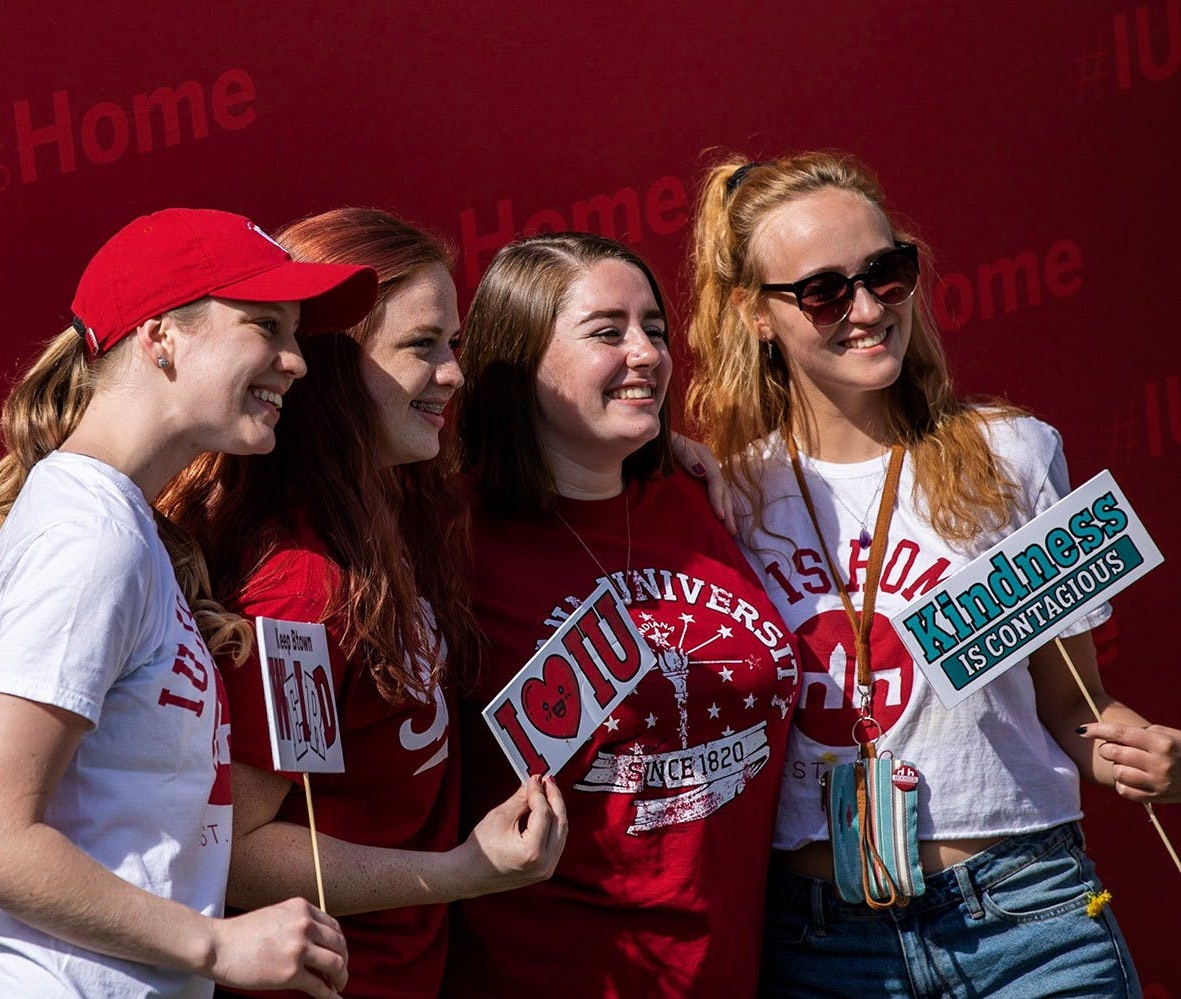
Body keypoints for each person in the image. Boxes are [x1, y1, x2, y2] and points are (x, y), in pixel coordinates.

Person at [684, 151, 1181, 997]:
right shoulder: (722, 491)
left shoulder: (1011, 454)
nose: (869, 309)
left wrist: (1142, 756)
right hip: (818, 941)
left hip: (1028, 917)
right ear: (753, 313)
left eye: (887, 273)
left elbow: (1073, 707)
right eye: (825, 291)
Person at [0, 208, 380, 998]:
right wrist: (214, 944)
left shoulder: (117, 524)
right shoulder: (90, 534)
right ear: (160, 336)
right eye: (265, 326)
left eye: (295, 332)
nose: (295, 361)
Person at [161, 207, 566, 999]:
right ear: (331, 364)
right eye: (422, 346)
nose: (453, 373)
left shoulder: (401, 509)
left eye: (454, 345)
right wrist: (463, 871)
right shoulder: (305, 585)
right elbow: (238, 846)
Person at [444, 232, 801, 997]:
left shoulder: (701, 492)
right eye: (607, 332)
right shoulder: (446, 538)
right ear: (518, 358)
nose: (646, 352)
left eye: (655, 330)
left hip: (735, 972)